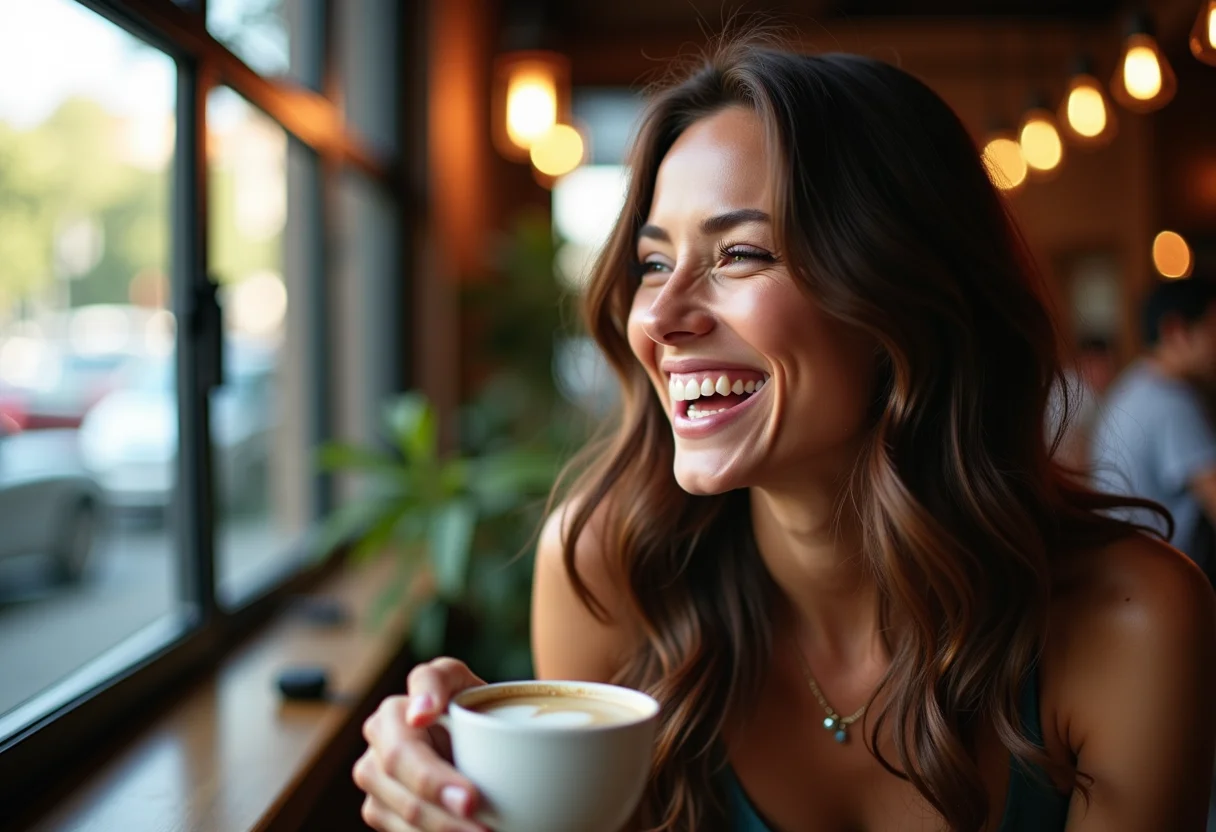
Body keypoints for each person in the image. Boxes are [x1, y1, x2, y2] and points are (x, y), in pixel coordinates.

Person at [353, 39, 1216, 832]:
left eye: (741, 254)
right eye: (654, 263)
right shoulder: (608, 570)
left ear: (902, 298)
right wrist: (475, 803)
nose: (659, 315)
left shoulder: (1130, 625)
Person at [1090, 277, 1216, 581]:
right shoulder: (1170, 402)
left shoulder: (1137, 382)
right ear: (1176, 331)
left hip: (1125, 572)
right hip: (1163, 583)